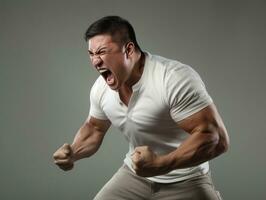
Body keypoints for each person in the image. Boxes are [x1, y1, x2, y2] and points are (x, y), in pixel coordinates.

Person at [53, 16, 229, 200]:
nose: (95, 61)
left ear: (128, 49)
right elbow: (95, 128)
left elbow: (216, 140)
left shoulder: (172, 78)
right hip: (136, 176)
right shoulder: (101, 88)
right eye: (91, 54)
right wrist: (73, 152)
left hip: (187, 179)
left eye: (102, 52)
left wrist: (161, 164)